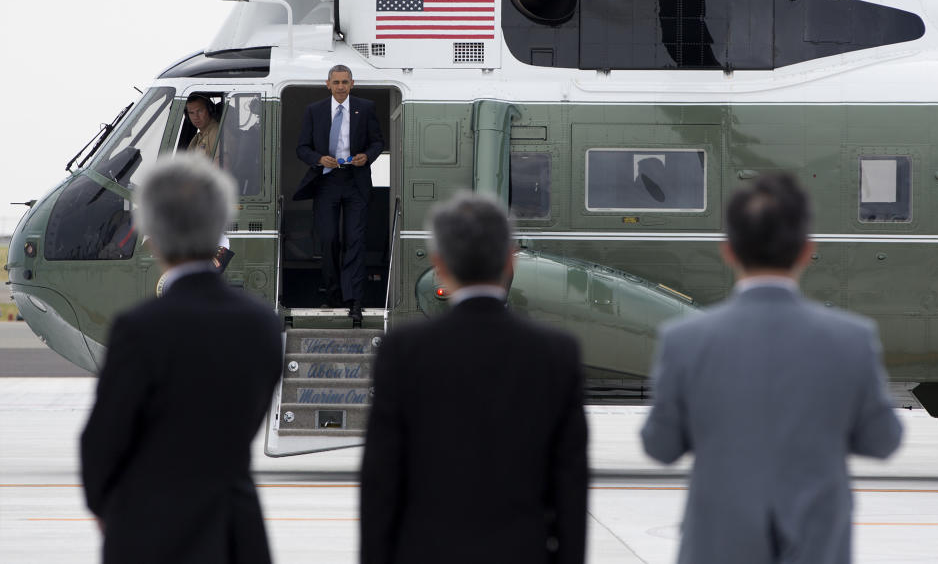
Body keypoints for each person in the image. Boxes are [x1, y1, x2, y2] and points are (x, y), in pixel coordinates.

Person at [641, 173, 903, 564]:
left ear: (728, 250)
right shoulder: (852, 338)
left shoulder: (685, 339)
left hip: (717, 545)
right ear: (805, 250)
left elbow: (660, 446)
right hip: (817, 544)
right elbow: (882, 440)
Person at [360, 192, 588, 564]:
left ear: (439, 264)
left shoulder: (403, 350)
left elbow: (381, 481)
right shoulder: (556, 353)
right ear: (511, 259)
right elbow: (570, 485)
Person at [81, 153, 282, 564]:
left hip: (147, 527)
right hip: (234, 529)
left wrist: (110, 508)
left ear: (153, 234)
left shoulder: (138, 329)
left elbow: (102, 440)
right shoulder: (261, 326)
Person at [293, 64, 384, 324]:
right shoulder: (314, 111)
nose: (341, 86)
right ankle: (334, 295)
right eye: (337, 82)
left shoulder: (365, 108)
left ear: (352, 84)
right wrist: (319, 159)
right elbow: (302, 148)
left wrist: (367, 156)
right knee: (330, 239)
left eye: (345, 82)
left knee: (355, 240)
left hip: (355, 181)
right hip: (326, 181)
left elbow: (378, 142)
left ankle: (354, 300)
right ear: (328, 84)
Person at [185, 93, 220, 158]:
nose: (196, 117)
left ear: (210, 110)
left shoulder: (215, 132)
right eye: (191, 113)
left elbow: (222, 165)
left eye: (200, 111)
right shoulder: (199, 136)